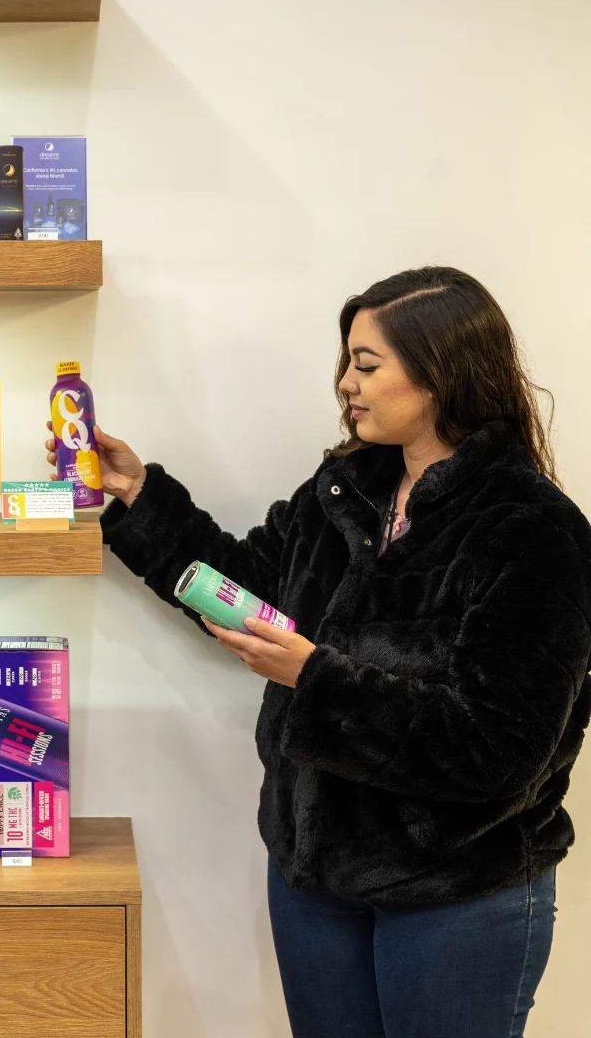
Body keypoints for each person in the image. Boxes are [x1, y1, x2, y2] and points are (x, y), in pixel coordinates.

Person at [47, 267, 591, 1038]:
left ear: (441, 374)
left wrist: (314, 679)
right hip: (314, 883)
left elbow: (498, 750)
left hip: (458, 894)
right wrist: (139, 495)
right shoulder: (345, 491)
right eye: (346, 363)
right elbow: (252, 590)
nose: (345, 384)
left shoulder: (532, 529)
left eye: (366, 365)